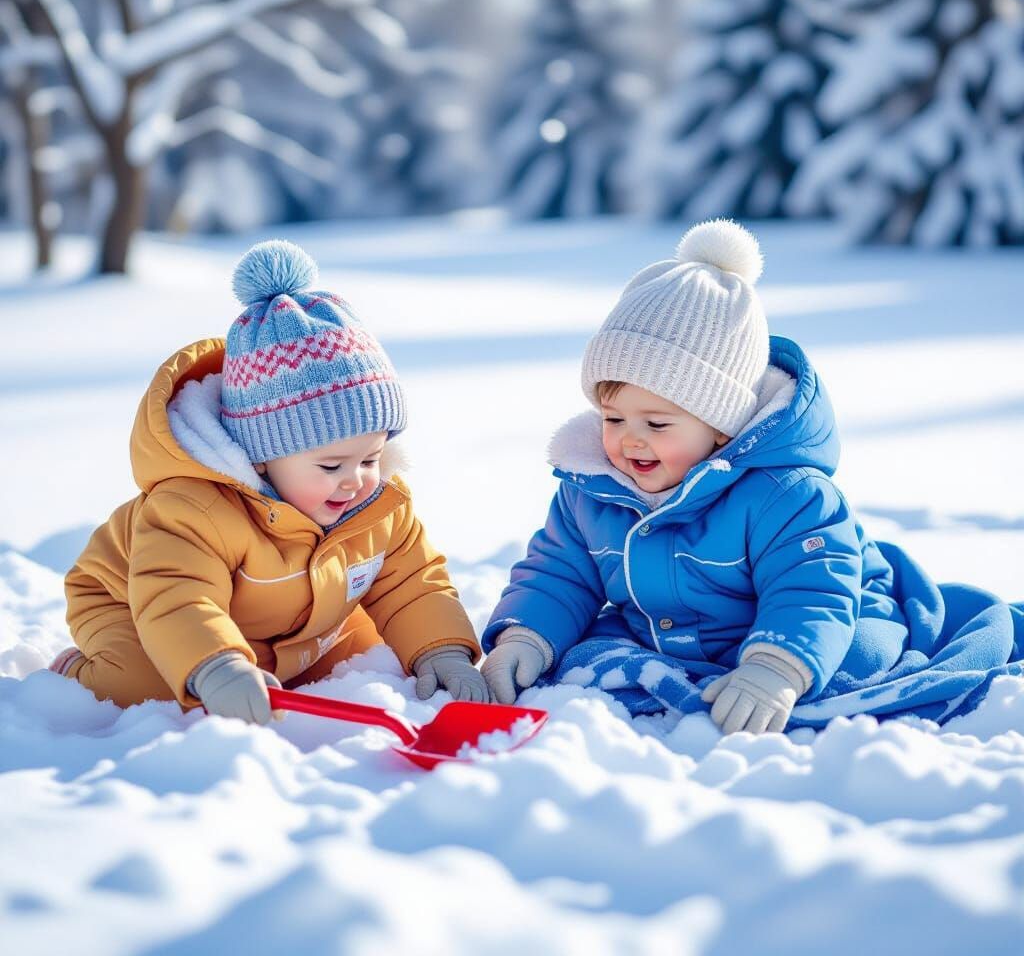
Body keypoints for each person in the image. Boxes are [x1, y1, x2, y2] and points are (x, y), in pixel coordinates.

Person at [480, 219, 1023, 734]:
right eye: (614, 419)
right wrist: (526, 637)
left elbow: (811, 587)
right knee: (587, 653)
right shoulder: (589, 490)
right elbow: (559, 574)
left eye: (657, 423)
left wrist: (779, 667)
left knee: (859, 658)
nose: (630, 439)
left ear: (721, 427)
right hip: (678, 634)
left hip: (823, 619)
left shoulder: (787, 495)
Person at [51, 240, 487, 723]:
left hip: (286, 623)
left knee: (374, 649)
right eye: (331, 466)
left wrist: (441, 651)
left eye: (371, 458)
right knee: (146, 685)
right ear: (261, 459)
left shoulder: (379, 504)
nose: (356, 481)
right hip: (138, 605)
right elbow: (178, 595)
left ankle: (252, 661)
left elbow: (411, 583)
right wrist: (217, 665)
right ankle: (77, 673)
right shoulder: (192, 510)